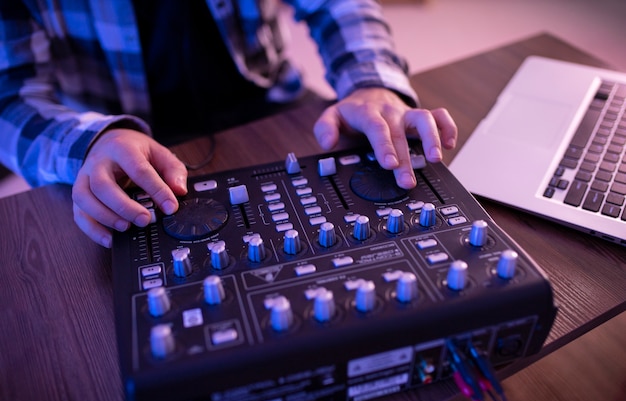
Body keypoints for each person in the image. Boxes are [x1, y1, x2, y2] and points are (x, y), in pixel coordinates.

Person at [0, 0, 457, 249]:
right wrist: (90, 142)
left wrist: (371, 80)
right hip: (113, 149)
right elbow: (8, 98)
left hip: (274, 105)